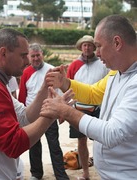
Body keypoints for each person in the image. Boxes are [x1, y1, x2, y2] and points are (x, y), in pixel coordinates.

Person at [0, 28, 74, 180]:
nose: (28, 61)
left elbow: (24, 117)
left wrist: (45, 87)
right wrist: (52, 114)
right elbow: (13, 145)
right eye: (23, 55)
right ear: (3, 53)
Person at [42, 15, 137, 179]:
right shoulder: (117, 72)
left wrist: (66, 111)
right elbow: (93, 93)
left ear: (117, 43)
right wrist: (64, 82)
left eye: (99, 46)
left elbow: (112, 133)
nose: (97, 53)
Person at [18, 43, 69, 180]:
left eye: (38, 55)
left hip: (50, 112)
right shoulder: (26, 72)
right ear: (29, 56)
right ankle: (36, 173)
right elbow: (22, 95)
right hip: (31, 114)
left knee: (54, 145)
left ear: (42, 55)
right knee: (33, 145)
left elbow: (59, 92)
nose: (35, 58)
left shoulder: (52, 70)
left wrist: (60, 112)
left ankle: (60, 175)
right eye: (33, 56)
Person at [66, 35, 109, 180]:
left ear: (94, 47)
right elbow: (66, 87)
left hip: (98, 109)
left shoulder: (103, 65)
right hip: (78, 109)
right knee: (81, 141)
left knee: (101, 140)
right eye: (84, 45)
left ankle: (102, 170)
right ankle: (85, 172)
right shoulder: (74, 66)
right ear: (80, 47)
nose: (87, 47)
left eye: (90, 45)